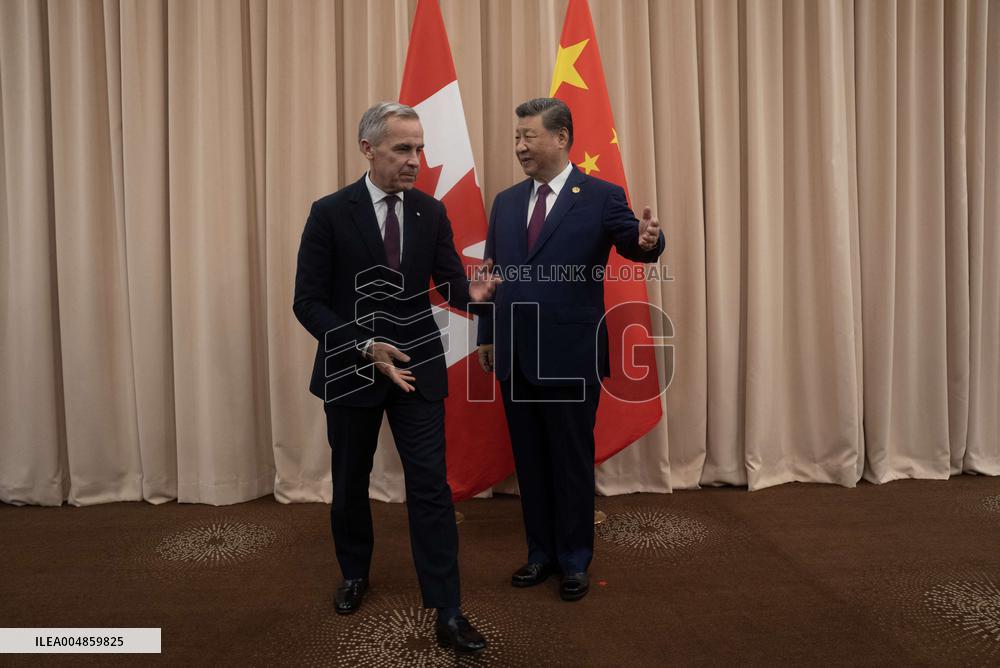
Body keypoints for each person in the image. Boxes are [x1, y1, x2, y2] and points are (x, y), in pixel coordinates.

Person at [293, 102, 496, 654]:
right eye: (403, 149)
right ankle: (355, 572)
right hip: (351, 368)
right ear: (368, 148)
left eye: (420, 149)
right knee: (350, 479)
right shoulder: (330, 213)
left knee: (430, 486)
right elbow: (307, 302)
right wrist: (363, 345)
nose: (416, 160)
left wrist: (494, 291)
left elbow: (454, 288)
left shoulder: (431, 213)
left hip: (416, 370)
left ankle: (449, 610)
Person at [477, 97, 664, 601]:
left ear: (561, 138)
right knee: (530, 463)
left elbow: (633, 242)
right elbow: (491, 275)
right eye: (516, 138)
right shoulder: (506, 201)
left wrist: (649, 241)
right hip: (515, 354)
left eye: (529, 137)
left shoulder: (601, 195)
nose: (519, 147)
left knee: (570, 461)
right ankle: (540, 555)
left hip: (570, 354)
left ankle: (575, 560)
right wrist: (488, 334)